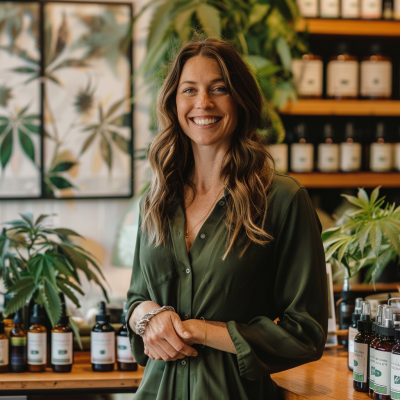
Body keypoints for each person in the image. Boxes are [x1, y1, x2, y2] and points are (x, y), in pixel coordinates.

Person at [126, 37, 328, 400]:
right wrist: (147, 317)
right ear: (174, 102)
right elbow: (136, 299)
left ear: (240, 100)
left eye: (219, 89)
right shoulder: (155, 200)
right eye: (190, 89)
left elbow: (306, 333)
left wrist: (202, 331)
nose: (203, 102)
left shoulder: (282, 199)